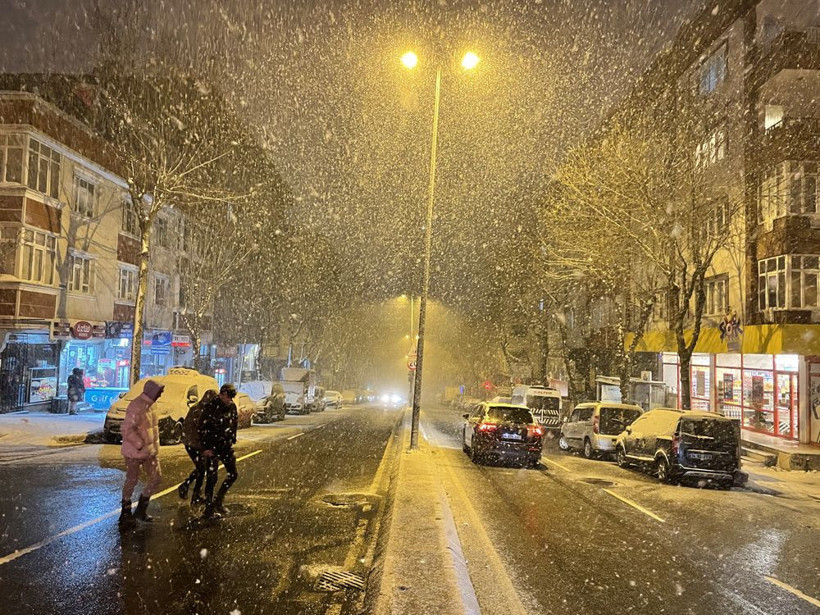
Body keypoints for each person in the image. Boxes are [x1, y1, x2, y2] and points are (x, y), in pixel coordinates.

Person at [119, 379, 164, 528]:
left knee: (156, 478)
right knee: (132, 480)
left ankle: (141, 509)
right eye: (159, 392)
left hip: (150, 451)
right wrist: (139, 444)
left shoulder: (152, 406)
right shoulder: (136, 406)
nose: (160, 394)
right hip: (135, 452)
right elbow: (126, 429)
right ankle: (125, 511)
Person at [199, 383, 239, 519]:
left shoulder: (231, 407)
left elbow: (234, 423)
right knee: (212, 477)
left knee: (233, 474)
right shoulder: (211, 407)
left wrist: (232, 437)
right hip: (212, 446)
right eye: (228, 397)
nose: (230, 400)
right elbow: (202, 427)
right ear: (222, 394)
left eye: (231, 398)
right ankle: (208, 509)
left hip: (225, 446)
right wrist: (206, 448)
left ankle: (218, 500)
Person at [178, 389, 216, 505]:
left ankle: (192, 491)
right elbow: (197, 430)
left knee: (201, 468)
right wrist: (203, 446)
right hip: (194, 444)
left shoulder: (199, 408)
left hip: (192, 443)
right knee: (201, 468)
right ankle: (192, 492)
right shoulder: (201, 410)